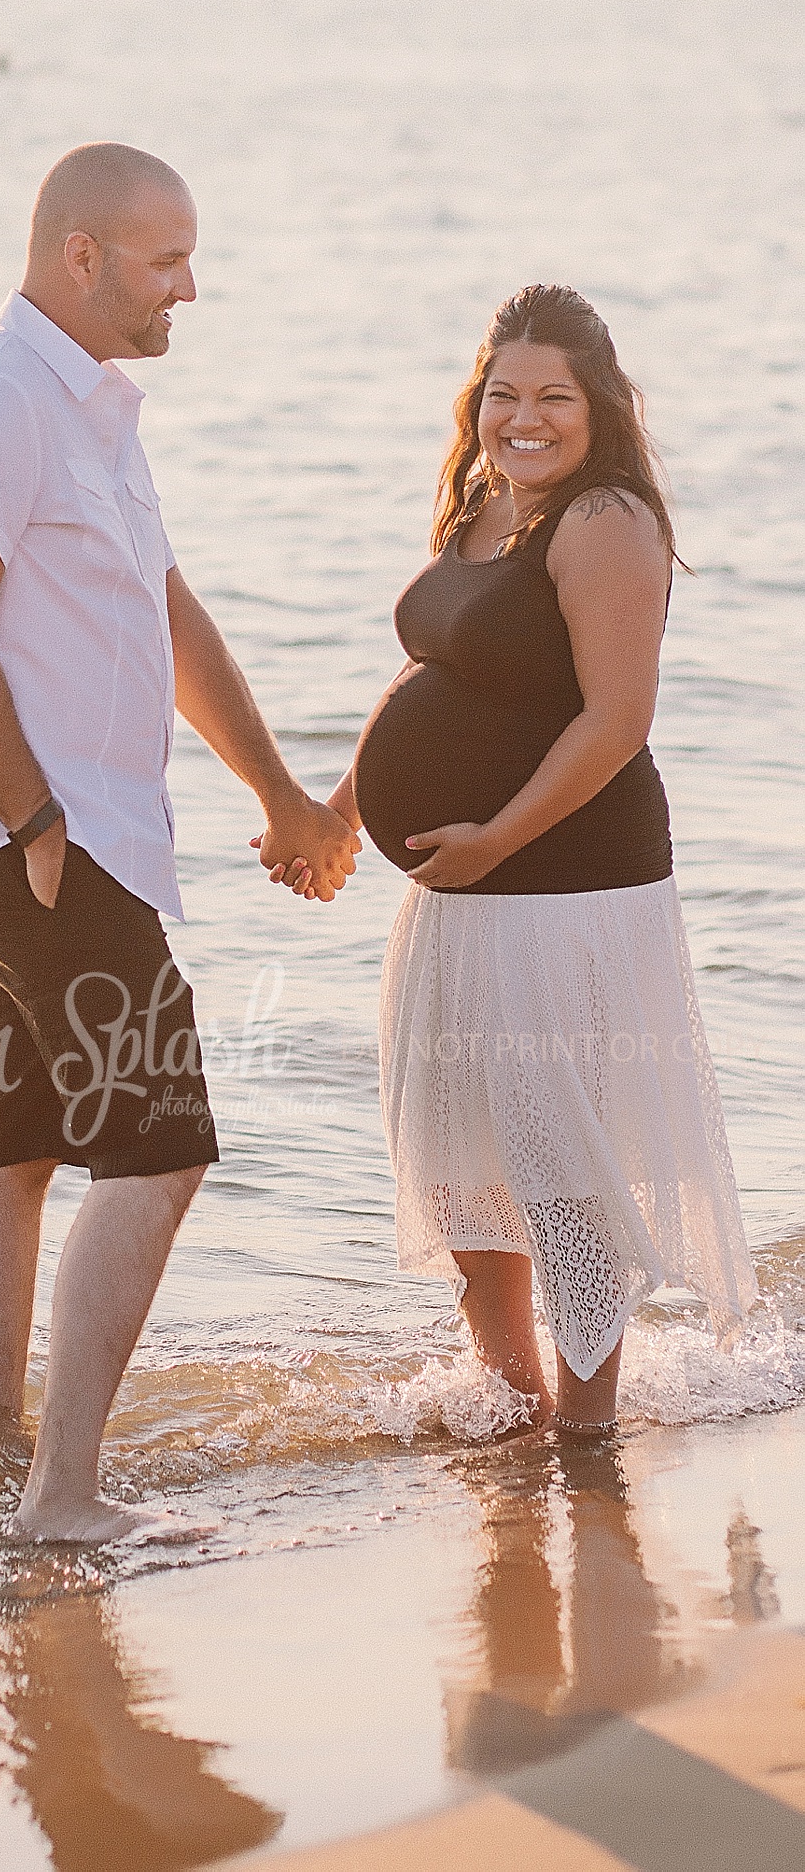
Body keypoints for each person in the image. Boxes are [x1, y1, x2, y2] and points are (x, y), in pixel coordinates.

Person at [0, 141, 359, 1541]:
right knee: (161, 1146)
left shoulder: (94, 414)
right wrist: (31, 817)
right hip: (35, 831)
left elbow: (163, 613)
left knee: (17, 1137)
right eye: (167, 259)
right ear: (79, 256)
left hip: (76, 832)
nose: (189, 287)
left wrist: (278, 795)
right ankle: (64, 1496)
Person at [282, 285, 755, 1437]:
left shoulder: (604, 521)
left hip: (565, 891)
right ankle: (510, 1407)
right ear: (477, 404)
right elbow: (432, 679)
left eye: (554, 396)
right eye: (504, 395)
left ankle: (585, 1435)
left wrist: (494, 836)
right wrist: (344, 809)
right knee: (467, 1170)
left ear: (599, 406)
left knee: (557, 1169)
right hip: (463, 898)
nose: (525, 419)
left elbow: (615, 721)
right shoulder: (483, 507)